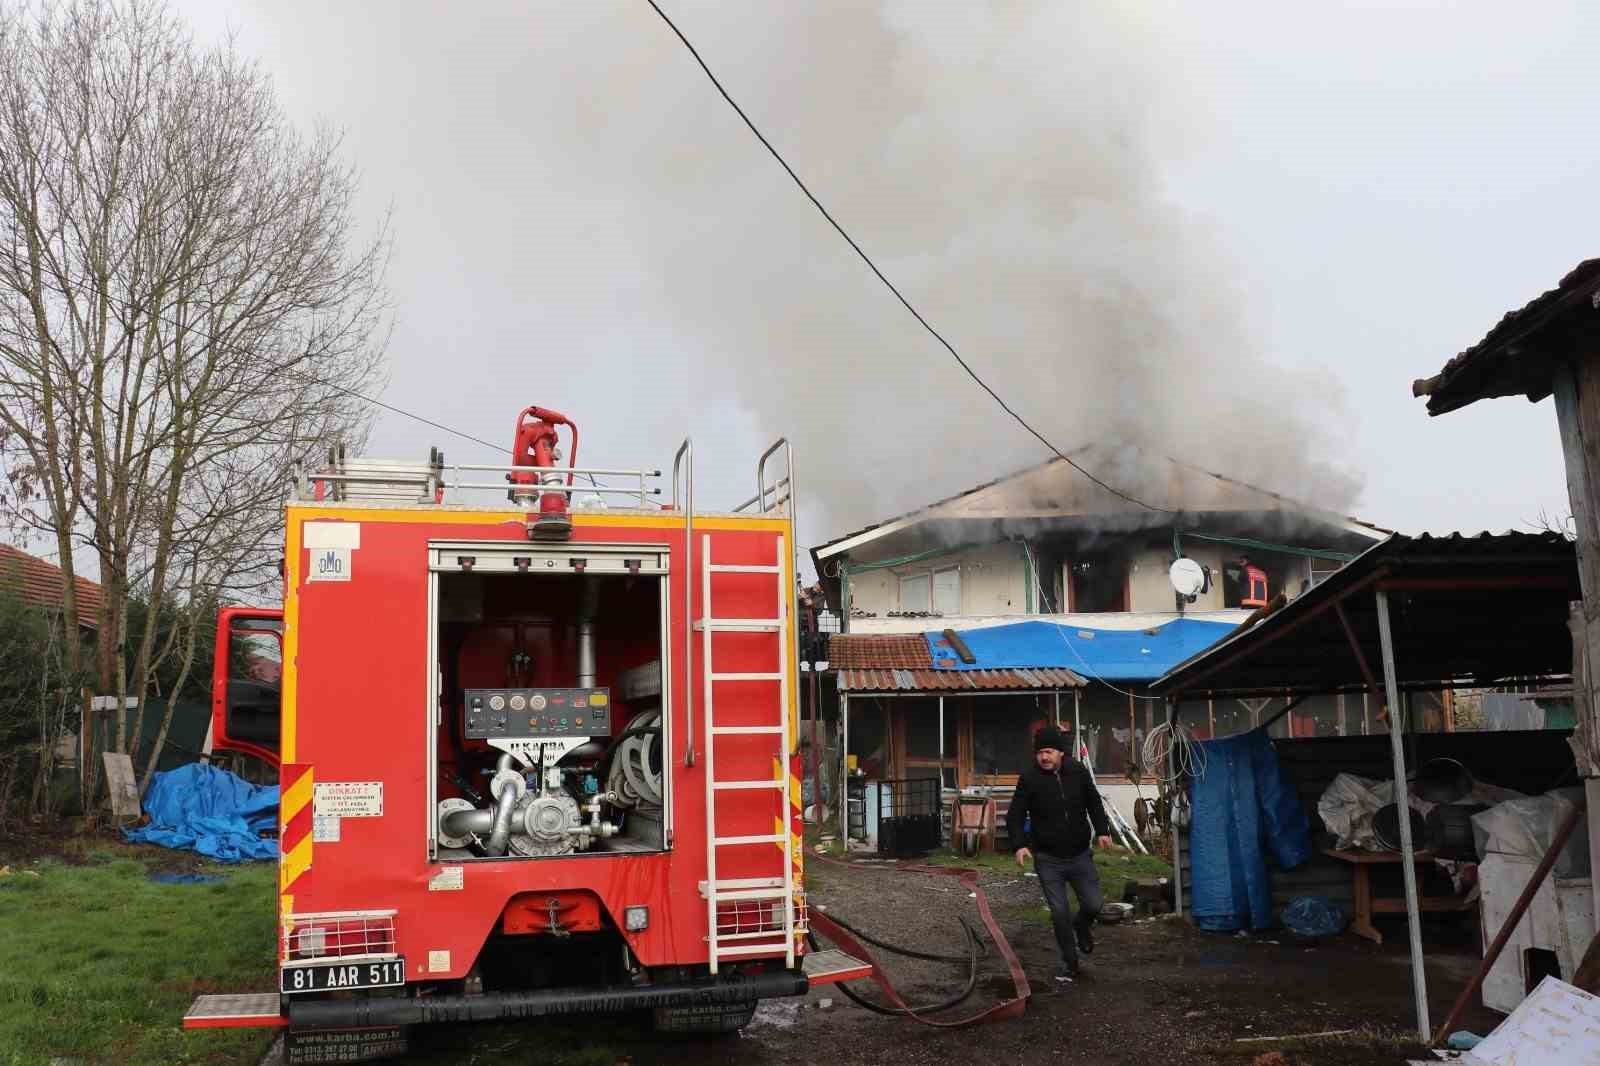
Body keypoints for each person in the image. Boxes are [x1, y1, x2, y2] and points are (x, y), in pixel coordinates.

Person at [1006, 725, 1112, 983]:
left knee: (1094, 904)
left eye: (1049, 751)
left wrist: (1102, 830)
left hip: (1079, 855)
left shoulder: (1078, 772)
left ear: (1060, 753)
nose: (1044, 757)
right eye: (1040, 752)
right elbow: (1015, 815)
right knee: (1059, 912)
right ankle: (1069, 962)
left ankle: (1082, 926)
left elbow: (1094, 802)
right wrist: (1020, 844)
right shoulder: (1029, 779)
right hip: (1048, 858)